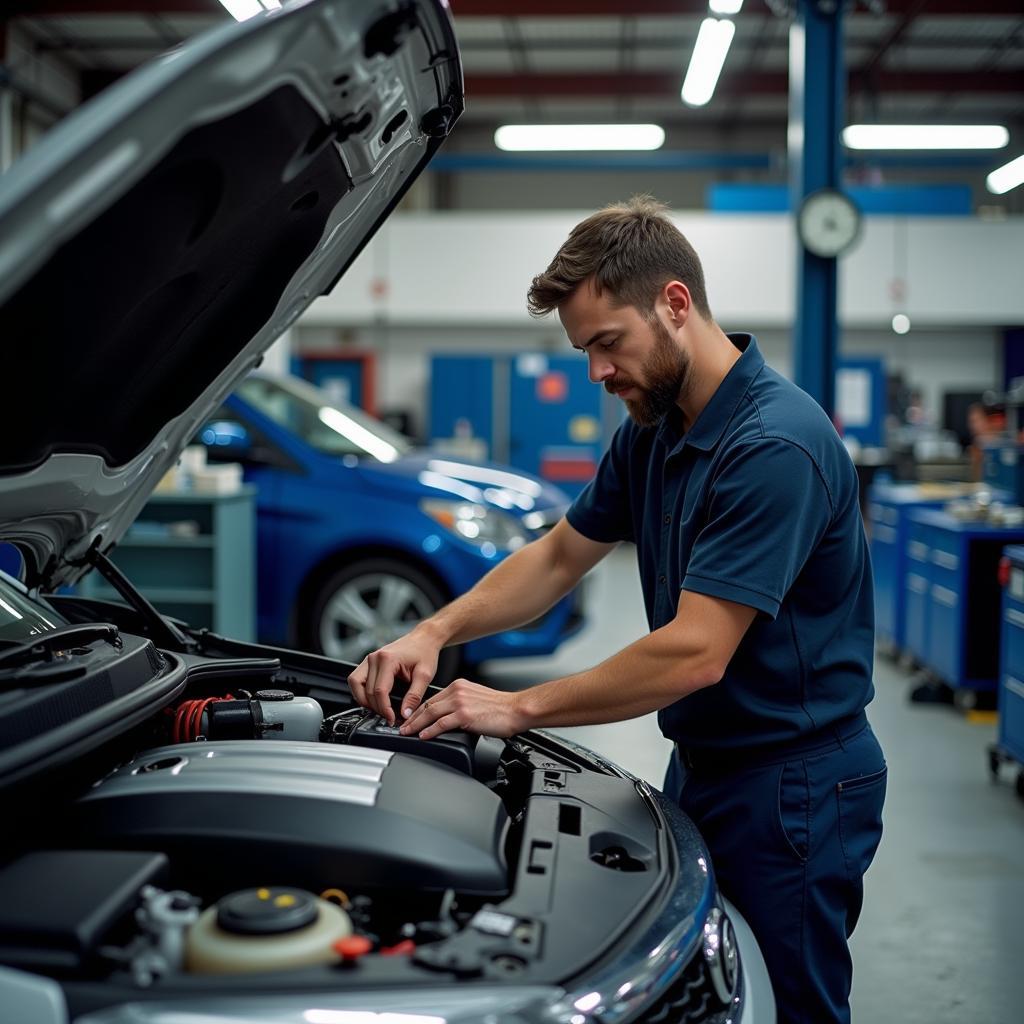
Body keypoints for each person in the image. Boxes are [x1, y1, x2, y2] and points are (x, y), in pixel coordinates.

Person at [348, 196, 886, 1024]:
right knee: (713, 997)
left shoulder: (773, 445)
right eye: (583, 349)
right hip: (709, 762)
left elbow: (694, 653)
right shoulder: (656, 425)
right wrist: (434, 630)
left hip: (795, 785)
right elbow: (561, 555)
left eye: (608, 343)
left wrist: (518, 706)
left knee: (791, 1008)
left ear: (675, 304)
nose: (596, 371)